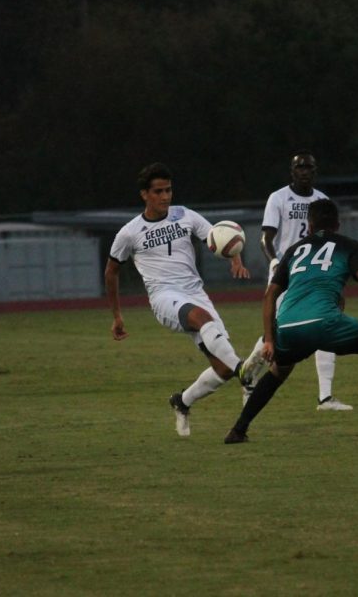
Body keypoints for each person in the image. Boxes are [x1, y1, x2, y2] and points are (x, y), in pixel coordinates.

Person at [224, 199, 358, 444]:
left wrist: (268, 338)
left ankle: (238, 430)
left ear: (309, 226)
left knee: (278, 371)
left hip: (286, 327)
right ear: (338, 224)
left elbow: (270, 296)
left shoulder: (295, 249)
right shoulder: (348, 246)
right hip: (325, 322)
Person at [105, 162, 250, 437]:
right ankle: (246, 373)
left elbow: (221, 236)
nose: (165, 197)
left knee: (222, 368)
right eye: (158, 191)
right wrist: (117, 316)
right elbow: (111, 271)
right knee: (205, 323)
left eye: (168, 190)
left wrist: (236, 259)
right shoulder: (129, 232)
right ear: (144, 195)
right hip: (164, 297)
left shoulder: (185, 215)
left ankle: (181, 402)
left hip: (195, 292)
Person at [239, 151, 352, 411]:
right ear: (292, 171)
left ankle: (325, 396)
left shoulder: (322, 200)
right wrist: (274, 260)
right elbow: (266, 237)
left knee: (327, 320)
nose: (304, 171)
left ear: (315, 170)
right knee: (279, 329)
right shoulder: (278, 198)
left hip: (315, 272)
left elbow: (331, 239)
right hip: (286, 269)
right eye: (300, 167)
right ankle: (251, 368)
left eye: (309, 167)